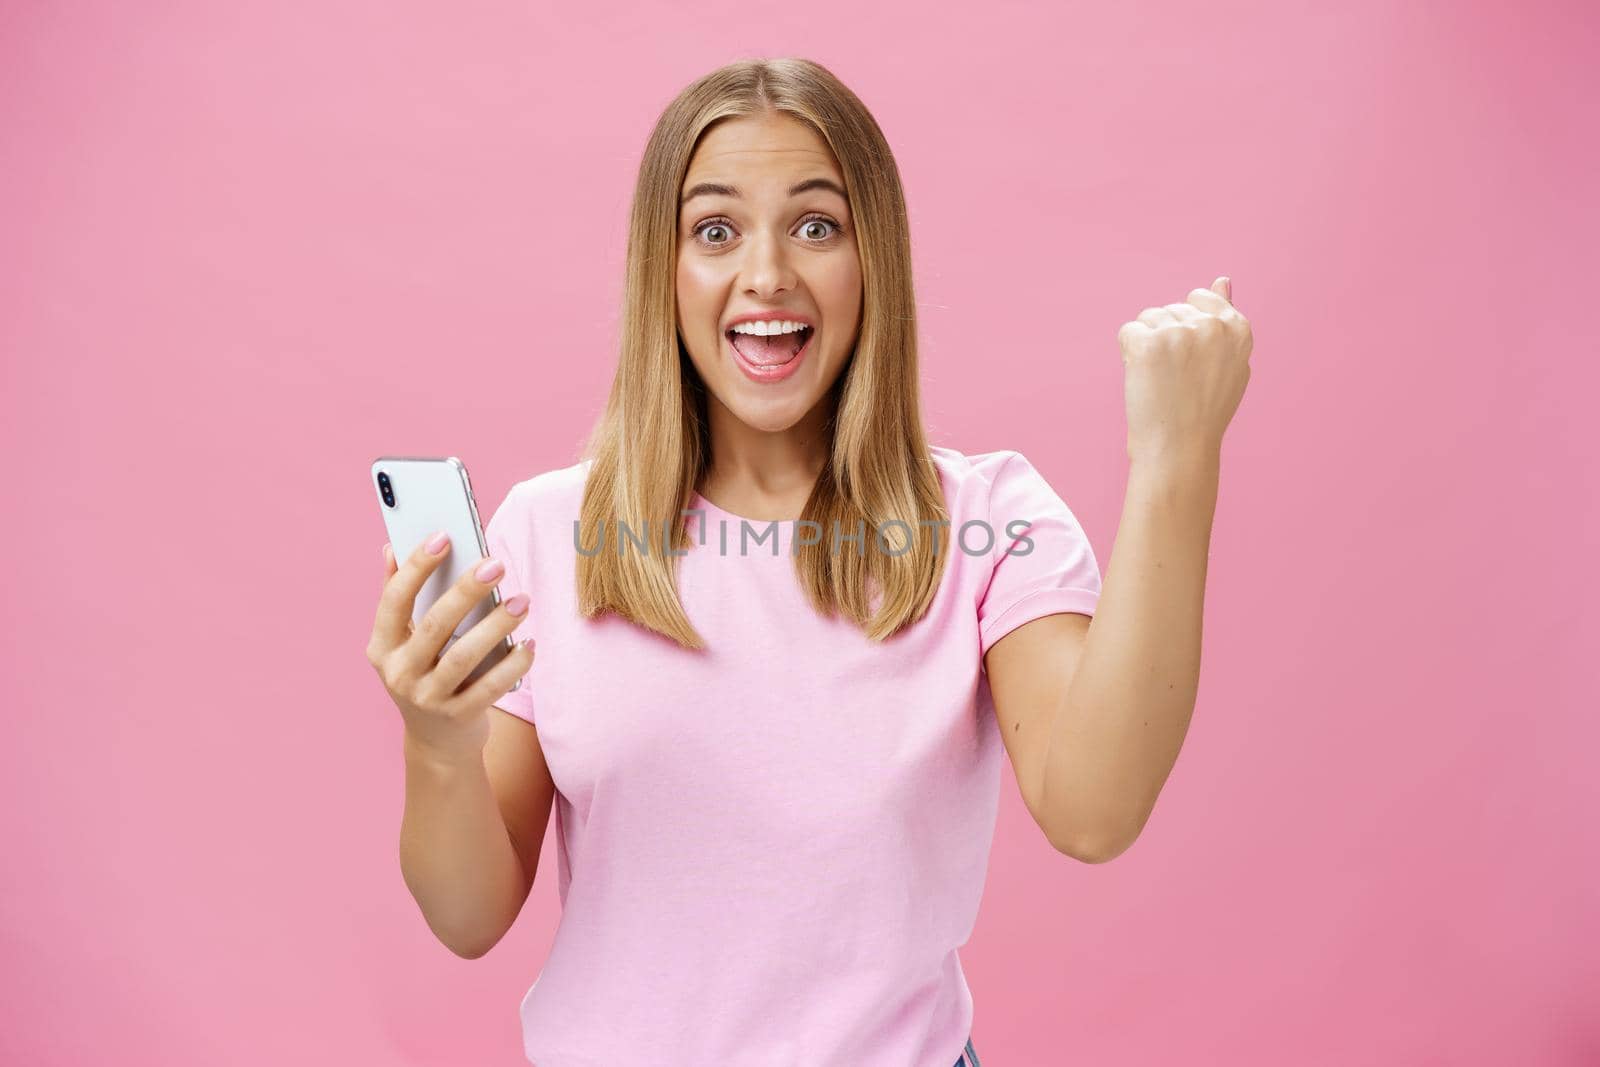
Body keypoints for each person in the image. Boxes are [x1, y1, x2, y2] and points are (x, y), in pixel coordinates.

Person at [367, 54, 1252, 1067]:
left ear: (872, 257)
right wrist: (436, 746)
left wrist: (1177, 457)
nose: (766, 275)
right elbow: (469, 914)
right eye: (714, 230)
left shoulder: (989, 520)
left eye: (816, 225)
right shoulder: (546, 532)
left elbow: (1095, 810)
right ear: (664, 269)